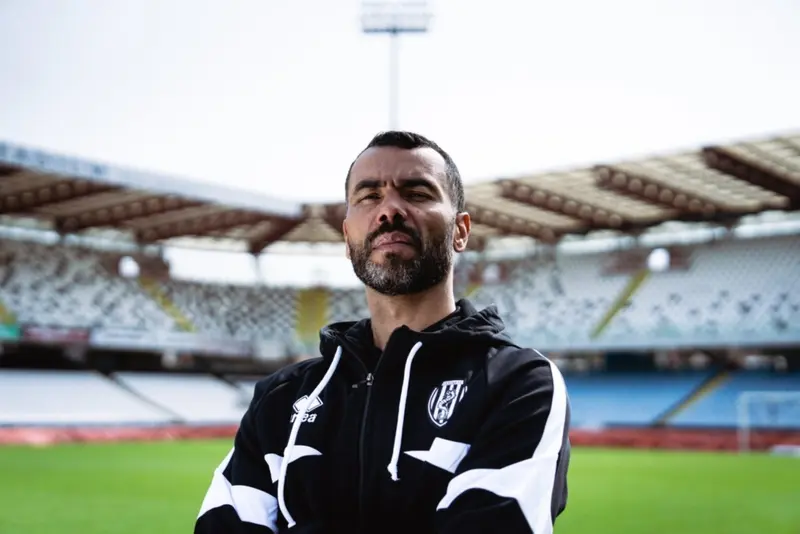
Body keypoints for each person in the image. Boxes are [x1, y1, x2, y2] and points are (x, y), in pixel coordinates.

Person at [194, 131, 571, 534]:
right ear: (347, 237)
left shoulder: (518, 383)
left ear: (461, 231)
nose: (389, 209)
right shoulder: (280, 398)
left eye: (417, 193)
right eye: (369, 196)